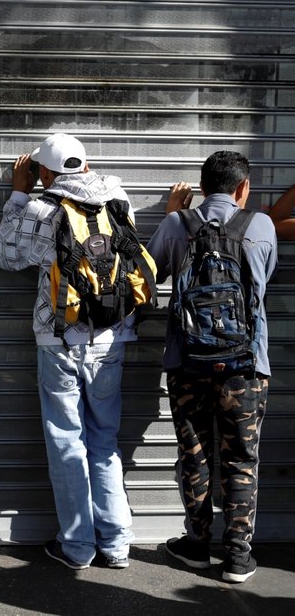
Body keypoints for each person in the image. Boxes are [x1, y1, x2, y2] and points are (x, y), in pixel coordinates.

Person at [0, 133, 139, 571]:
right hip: (112, 336)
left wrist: (19, 193)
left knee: (66, 442)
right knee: (104, 441)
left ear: (46, 172)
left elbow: (4, 255)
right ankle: (116, 544)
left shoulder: (43, 209)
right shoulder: (118, 198)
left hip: (58, 338)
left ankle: (78, 547)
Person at [147, 151, 276, 584]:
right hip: (246, 366)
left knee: (195, 453)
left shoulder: (175, 224)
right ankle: (238, 558)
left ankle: (196, 546)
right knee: (241, 457)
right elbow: (263, 281)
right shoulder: (260, 226)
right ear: (243, 188)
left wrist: (171, 215)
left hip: (187, 363)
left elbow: (148, 277)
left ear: (202, 187)